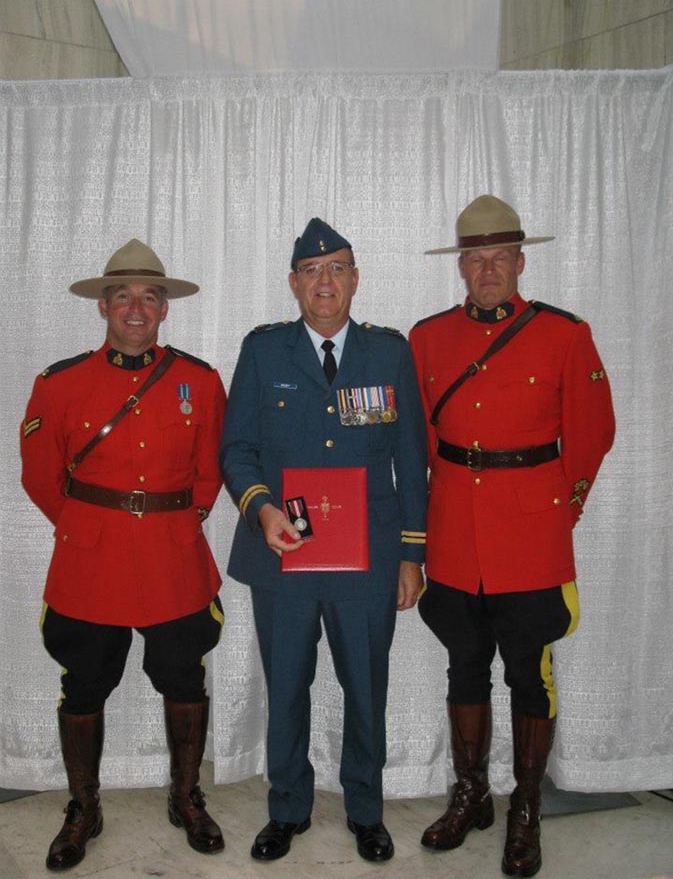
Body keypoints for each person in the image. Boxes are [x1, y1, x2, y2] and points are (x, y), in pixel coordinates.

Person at [408, 195, 615, 878]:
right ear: (460, 267)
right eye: (475, 258)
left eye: (500, 257)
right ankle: (470, 793)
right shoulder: (428, 338)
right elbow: (414, 442)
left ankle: (524, 804)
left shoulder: (563, 333)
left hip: (531, 532)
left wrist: (562, 509)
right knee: (462, 665)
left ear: (520, 263)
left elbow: (591, 432)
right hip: (453, 536)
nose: (488, 269)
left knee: (529, 673)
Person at [219, 218, 427, 863]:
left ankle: (365, 808)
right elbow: (237, 448)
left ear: (355, 279)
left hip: (367, 554)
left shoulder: (389, 353)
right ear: (294, 284)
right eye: (312, 271)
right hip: (283, 552)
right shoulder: (263, 351)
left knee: (367, 686)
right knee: (286, 685)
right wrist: (260, 509)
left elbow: (412, 457)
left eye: (336, 268)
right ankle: (288, 808)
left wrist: (412, 553)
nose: (325, 281)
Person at [20, 239, 227, 871]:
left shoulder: (200, 380)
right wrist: (90, 525)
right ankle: (84, 807)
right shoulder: (59, 384)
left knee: (183, 677)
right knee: (83, 683)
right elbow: (39, 475)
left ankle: (185, 797)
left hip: (173, 559)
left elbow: (209, 471)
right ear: (103, 306)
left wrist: (169, 524)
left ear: (164, 310)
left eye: (149, 297)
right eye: (123, 297)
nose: (136, 308)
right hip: (90, 561)